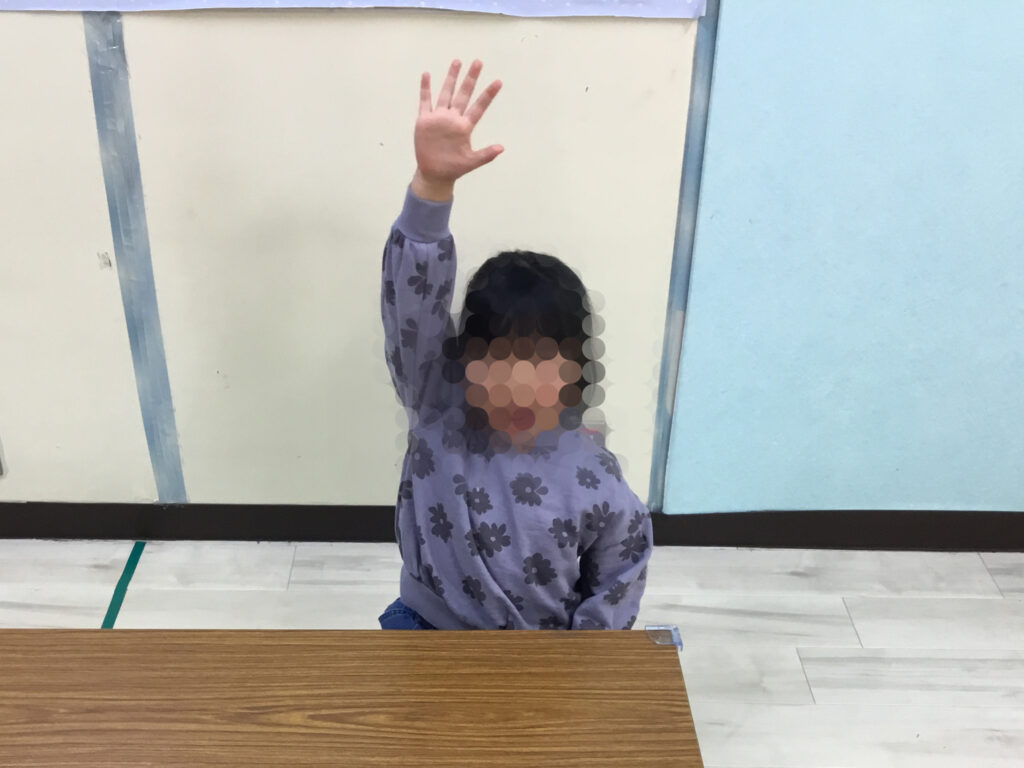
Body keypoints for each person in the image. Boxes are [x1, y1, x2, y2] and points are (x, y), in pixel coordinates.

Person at [378, 59, 652, 631]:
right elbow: (412, 310)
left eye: (542, 360)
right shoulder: (440, 409)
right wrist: (432, 188)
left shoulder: (594, 476)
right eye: (497, 359)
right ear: (462, 363)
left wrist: (581, 655)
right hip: (425, 623)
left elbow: (620, 575)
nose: (518, 384)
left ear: (577, 371)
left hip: (539, 649)